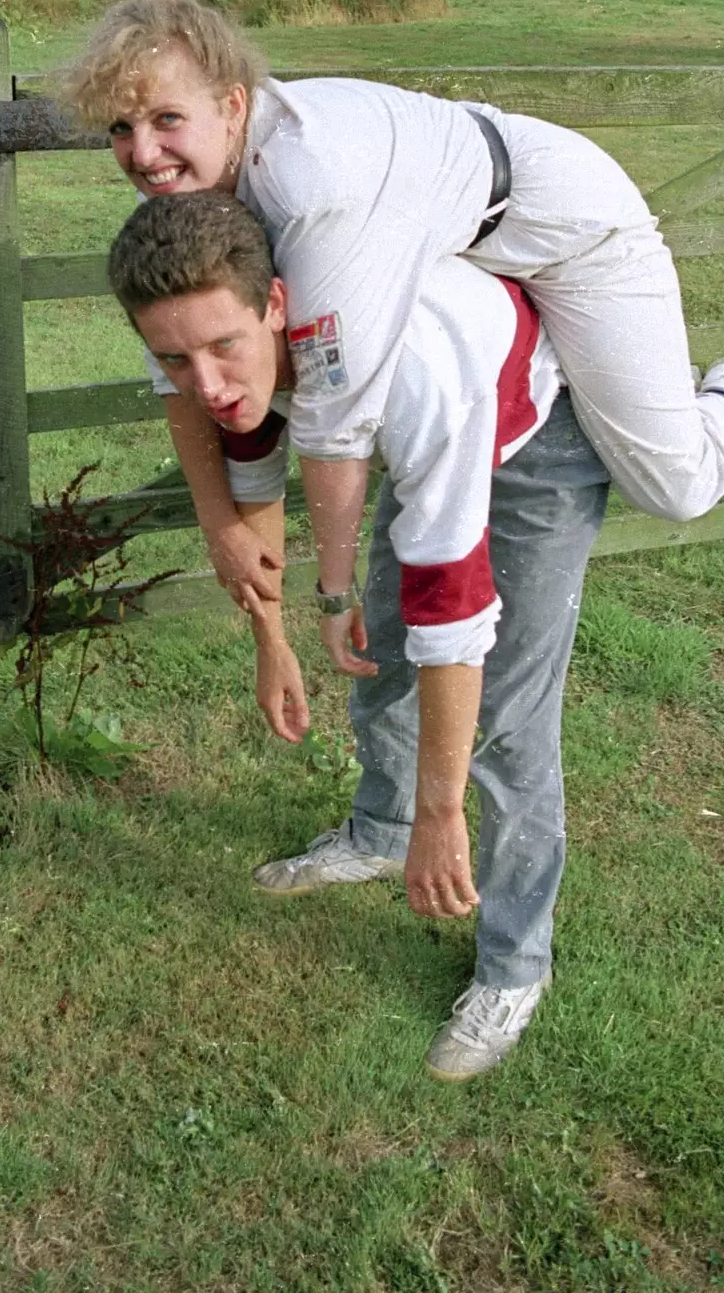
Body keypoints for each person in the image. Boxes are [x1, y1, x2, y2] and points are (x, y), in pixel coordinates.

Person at [64, 0, 724, 672]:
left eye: (167, 120)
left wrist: (330, 589)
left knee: (674, 486)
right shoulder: (190, 202)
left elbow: (333, 417)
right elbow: (181, 376)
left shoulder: (309, 184)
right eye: (120, 129)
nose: (141, 153)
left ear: (231, 105)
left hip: (569, 230)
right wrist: (220, 523)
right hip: (460, 247)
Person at [108, 190, 609, 1081]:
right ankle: (379, 831)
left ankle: (513, 965)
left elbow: (452, 617)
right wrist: (275, 641)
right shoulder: (235, 356)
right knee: (377, 647)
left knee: (506, 720)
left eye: (224, 348)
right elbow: (249, 468)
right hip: (406, 430)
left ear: (275, 307)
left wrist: (443, 814)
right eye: (174, 360)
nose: (207, 384)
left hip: (528, 440)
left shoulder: (411, 370)